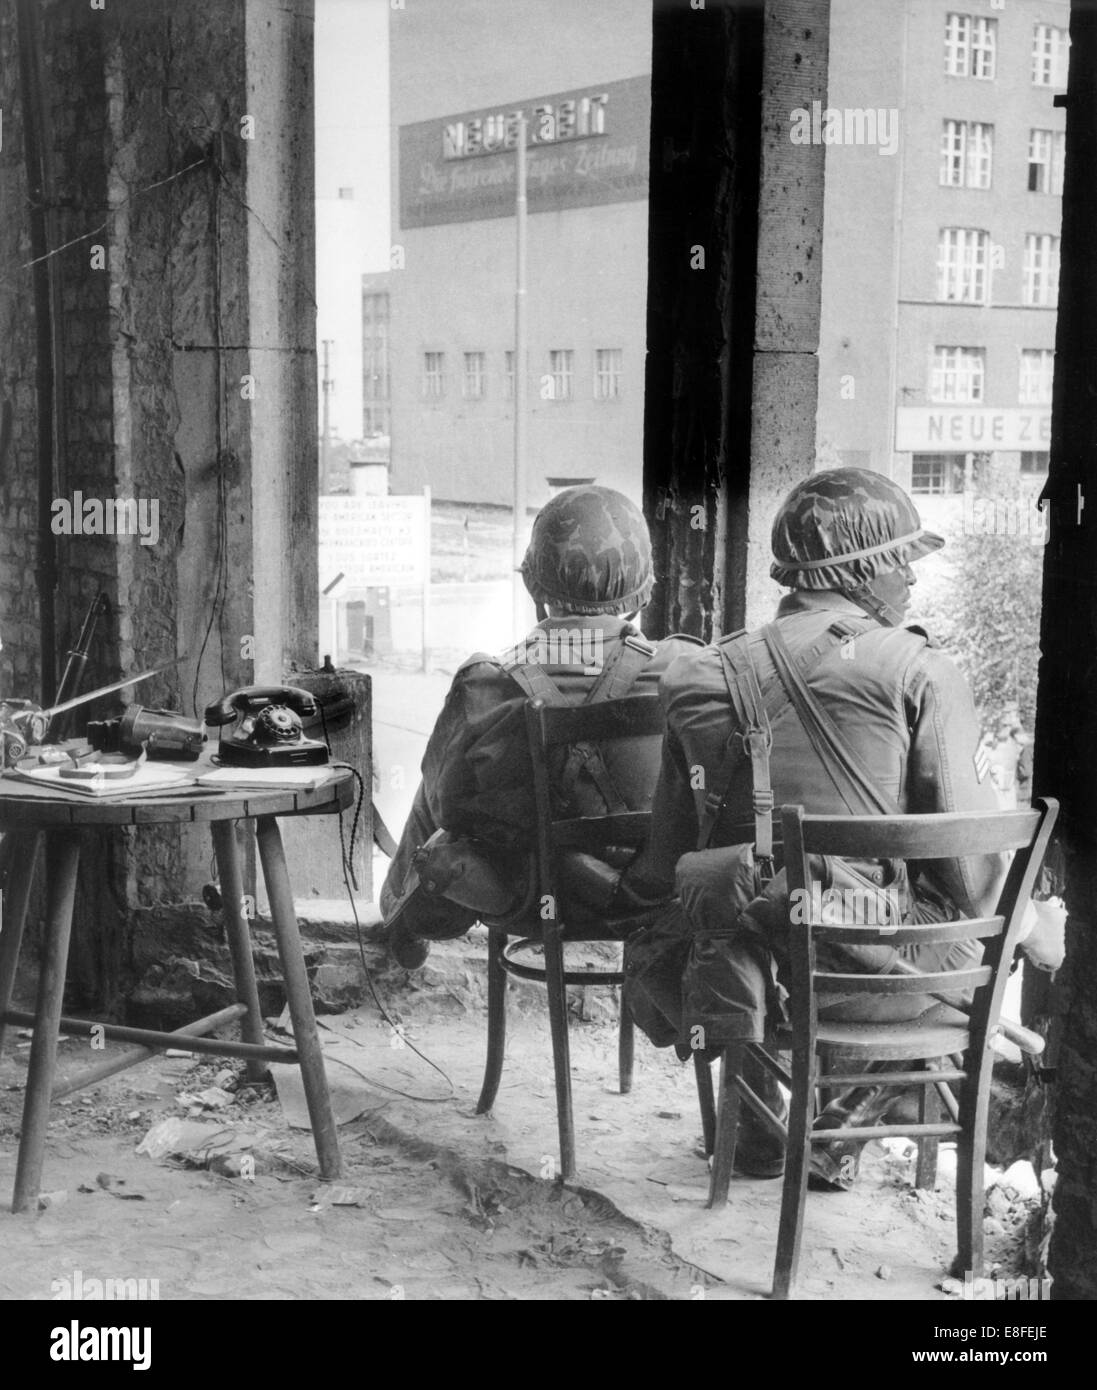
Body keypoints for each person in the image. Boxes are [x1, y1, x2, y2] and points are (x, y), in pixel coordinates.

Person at [615, 467, 1062, 1184]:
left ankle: (757, 1132)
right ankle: (839, 1129)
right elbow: (970, 873)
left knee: (743, 899)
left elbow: (666, 856)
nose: (911, 583)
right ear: (860, 569)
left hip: (738, 972)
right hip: (863, 979)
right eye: (902, 564)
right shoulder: (918, 671)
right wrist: (1032, 925)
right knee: (966, 935)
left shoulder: (700, 673)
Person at [381, 485, 700, 969]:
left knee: (436, 786)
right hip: (649, 898)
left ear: (533, 586)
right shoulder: (685, 671)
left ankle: (401, 918)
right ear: (646, 589)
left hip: (525, 900)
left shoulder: (484, 684)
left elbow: (449, 809)